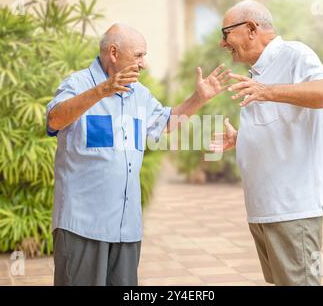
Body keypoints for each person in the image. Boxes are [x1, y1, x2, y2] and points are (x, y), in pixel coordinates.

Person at [46, 23, 230, 286]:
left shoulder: (139, 94)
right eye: (139, 55)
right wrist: (103, 90)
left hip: (126, 228)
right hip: (82, 226)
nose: (144, 63)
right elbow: (54, 120)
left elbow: (165, 123)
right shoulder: (78, 83)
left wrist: (197, 99)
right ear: (113, 52)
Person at [210, 0, 323, 285]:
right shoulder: (258, 72)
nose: (223, 43)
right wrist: (241, 139)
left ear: (252, 29)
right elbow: (280, 124)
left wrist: (267, 91)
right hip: (265, 209)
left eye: (226, 33)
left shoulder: (294, 54)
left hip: (293, 208)